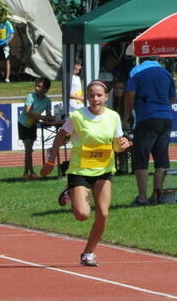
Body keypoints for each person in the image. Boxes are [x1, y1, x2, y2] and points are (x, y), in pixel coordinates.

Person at [40, 80, 131, 266]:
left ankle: (88, 253)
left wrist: (123, 146)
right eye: (91, 95)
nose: (95, 99)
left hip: (104, 170)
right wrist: (50, 161)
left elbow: (116, 145)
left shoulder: (113, 117)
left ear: (106, 97)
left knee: (103, 214)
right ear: (86, 98)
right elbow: (59, 138)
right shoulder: (77, 116)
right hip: (80, 170)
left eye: (99, 95)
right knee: (82, 215)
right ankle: (71, 192)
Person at [124, 58, 177, 206]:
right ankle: (157, 194)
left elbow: (130, 95)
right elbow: (172, 99)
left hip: (147, 117)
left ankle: (142, 197)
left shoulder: (137, 73)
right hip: (166, 118)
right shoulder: (166, 74)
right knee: (161, 157)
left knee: (141, 157)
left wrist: (127, 116)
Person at [18, 77, 53, 179]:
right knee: (28, 149)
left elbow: (48, 114)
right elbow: (28, 112)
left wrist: (51, 118)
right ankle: (29, 172)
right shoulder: (30, 96)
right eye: (36, 86)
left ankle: (28, 172)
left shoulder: (47, 100)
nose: (36, 88)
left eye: (39, 86)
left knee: (29, 150)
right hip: (23, 124)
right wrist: (42, 117)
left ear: (46, 89)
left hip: (33, 124)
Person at [0, 11, 14, 83]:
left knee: (7, 61)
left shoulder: (8, 23)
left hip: (6, 45)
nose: (1, 17)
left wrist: (7, 42)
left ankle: (7, 79)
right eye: (0, 15)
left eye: (3, 15)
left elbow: (12, 34)